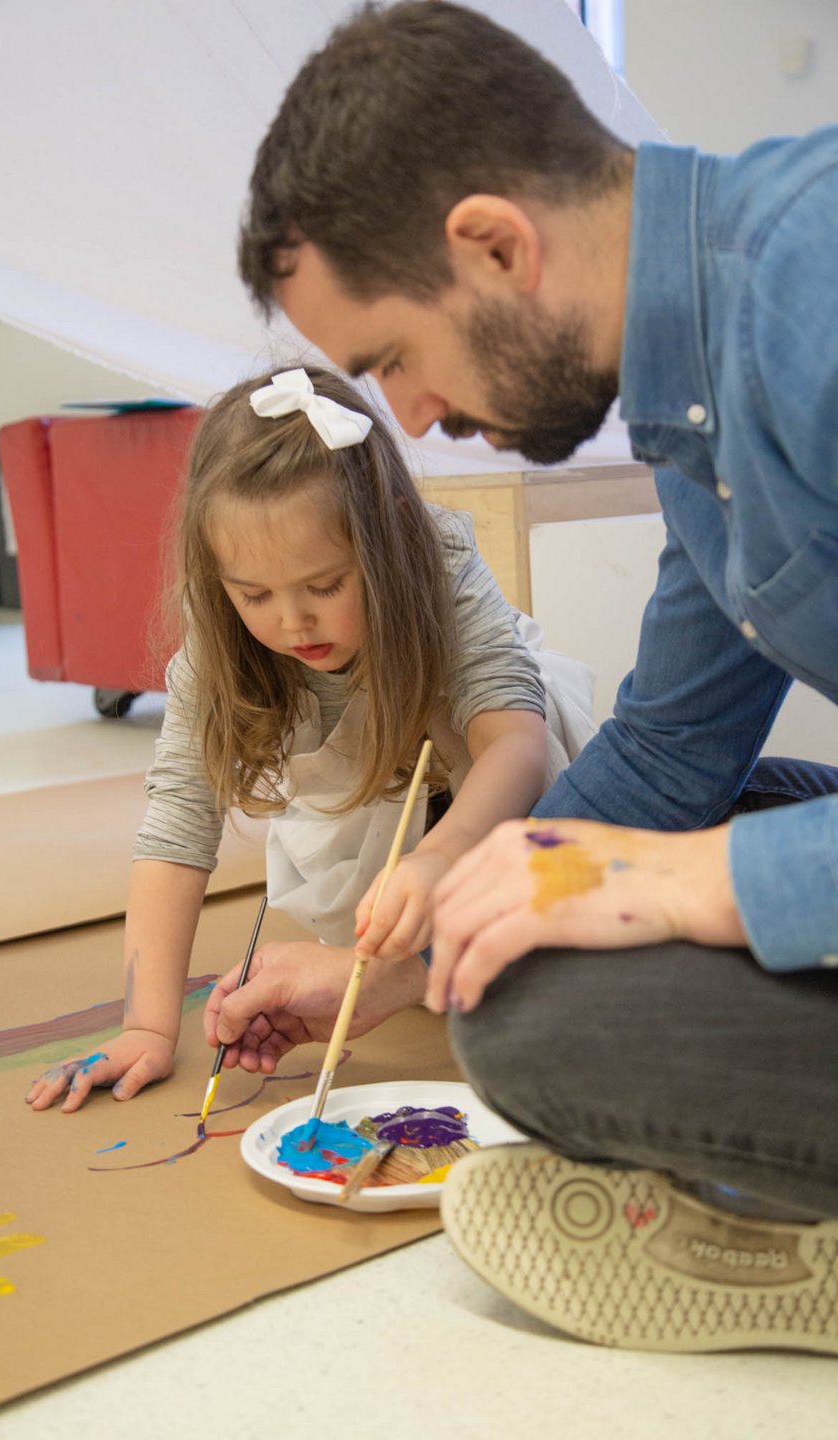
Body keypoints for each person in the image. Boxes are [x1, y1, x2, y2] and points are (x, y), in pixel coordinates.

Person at [231, 1, 838, 1352]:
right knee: (589, 889)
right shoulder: (699, 396)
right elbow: (673, 758)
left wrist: (676, 884)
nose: (420, 418)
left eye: (394, 359)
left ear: (496, 246)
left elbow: (662, 845)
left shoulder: (816, 283)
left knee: (534, 1015)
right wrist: (397, 961)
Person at [26, 363, 594, 1113]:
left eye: (324, 586)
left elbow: (514, 743)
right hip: (379, 793)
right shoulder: (220, 645)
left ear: (388, 535)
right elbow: (176, 826)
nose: (292, 623)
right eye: (254, 594)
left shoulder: (443, 567)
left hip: (491, 782)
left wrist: (438, 860)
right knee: (379, 928)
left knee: (536, 935)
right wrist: (148, 1025)